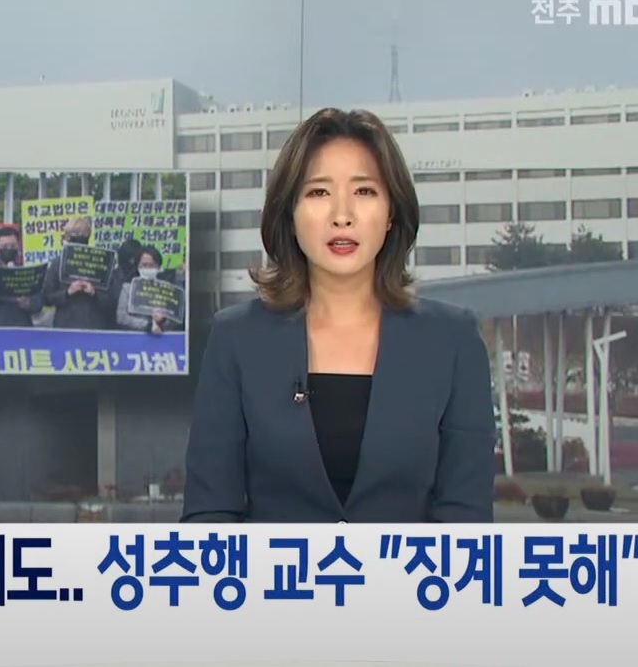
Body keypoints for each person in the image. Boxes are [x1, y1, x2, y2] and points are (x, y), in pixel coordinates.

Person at [181, 108, 495, 524]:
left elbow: (465, 520)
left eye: (364, 191)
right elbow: (210, 516)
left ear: (392, 213)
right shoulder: (237, 339)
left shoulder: (453, 342)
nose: (342, 215)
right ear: (289, 214)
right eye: (318, 192)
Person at [41, 217, 113, 330]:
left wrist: (94, 293)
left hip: (94, 326)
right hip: (65, 326)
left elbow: (111, 301)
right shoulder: (58, 263)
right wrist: (67, 292)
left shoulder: (101, 263)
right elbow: (46, 297)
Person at [0, 226, 41, 327]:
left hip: (22, 327)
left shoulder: (27, 271)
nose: (9, 249)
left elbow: (38, 301)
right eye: (4, 246)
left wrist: (28, 303)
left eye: (13, 246)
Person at [115, 244, 183, 334]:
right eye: (144, 265)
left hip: (161, 338)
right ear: (138, 266)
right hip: (133, 338)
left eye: (152, 265)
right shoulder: (127, 288)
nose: (147, 268)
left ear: (158, 267)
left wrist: (162, 321)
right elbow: (121, 317)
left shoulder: (166, 290)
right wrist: (149, 325)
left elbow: (174, 319)